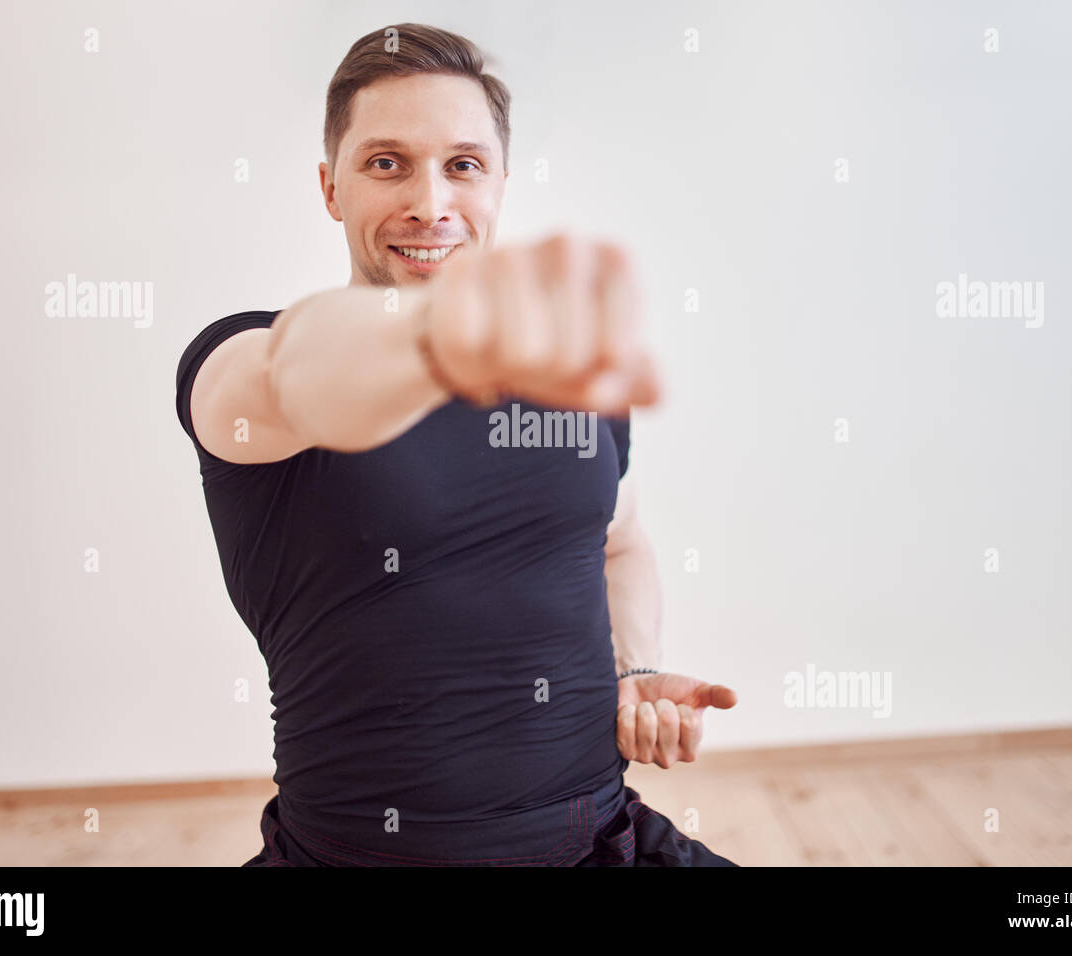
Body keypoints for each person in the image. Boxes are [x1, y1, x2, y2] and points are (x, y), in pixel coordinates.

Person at [174, 22, 738, 866]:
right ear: (331, 187)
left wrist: (634, 673)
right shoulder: (248, 359)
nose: (430, 204)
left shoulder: (564, 374)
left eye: (463, 165)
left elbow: (618, 545)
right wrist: (437, 334)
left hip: (601, 840)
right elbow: (294, 378)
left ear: (500, 182)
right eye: (386, 163)